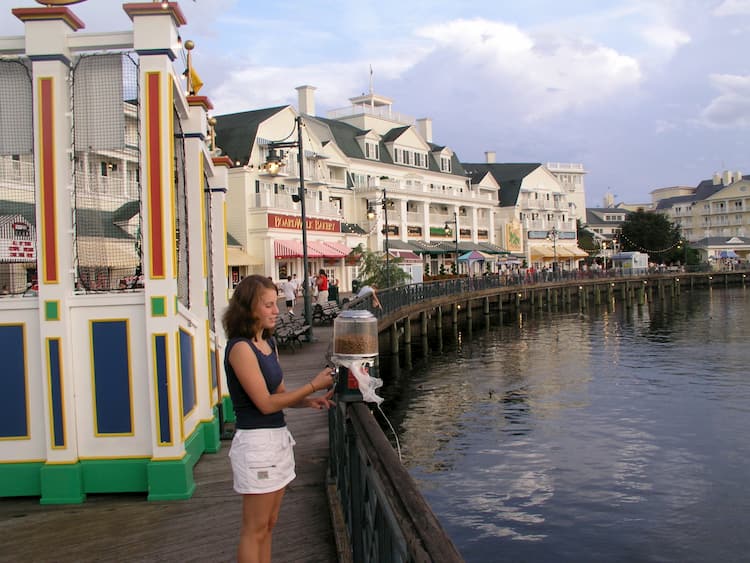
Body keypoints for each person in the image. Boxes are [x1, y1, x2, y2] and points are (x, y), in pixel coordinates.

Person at [222, 275, 335, 563]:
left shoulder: (267, 344)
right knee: (254, 529)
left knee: (269, 526)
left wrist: (309, 401)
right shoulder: (240, 349)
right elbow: (265, 403)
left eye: (276, 304)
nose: (277, 310)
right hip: (256, 445)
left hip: (277, 441)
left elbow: (281, 394)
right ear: (249, 309)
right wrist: (313, 385)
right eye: (269, 305)